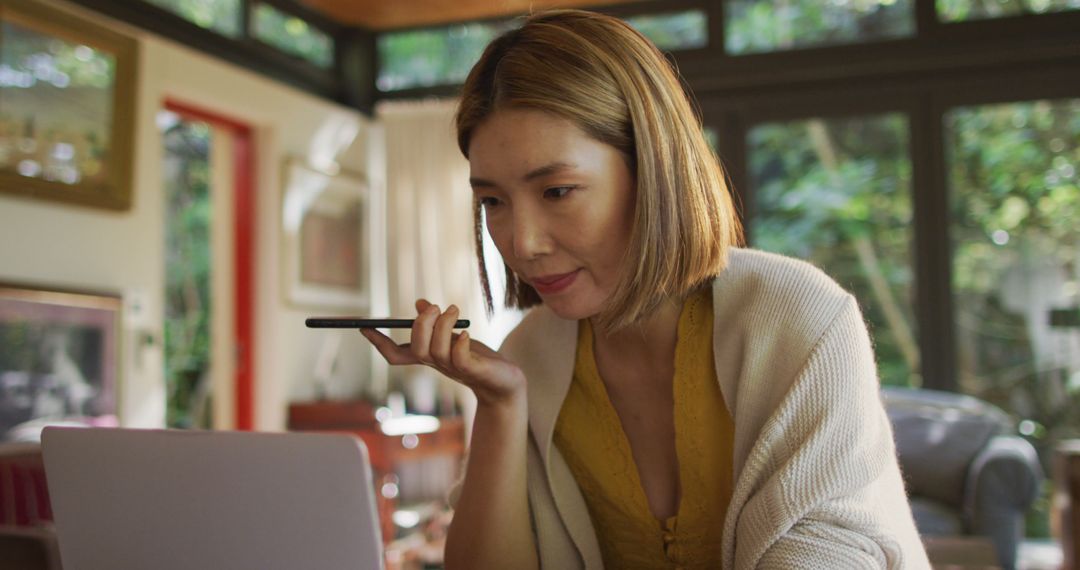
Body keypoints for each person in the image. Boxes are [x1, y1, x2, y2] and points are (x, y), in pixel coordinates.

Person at [360, 9, 930, 570]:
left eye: (557, 191)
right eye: (493, 202)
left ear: (653, 170)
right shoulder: (529, 357)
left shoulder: (797, 318)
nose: (521, 241)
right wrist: (502, 407)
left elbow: (827, 549)